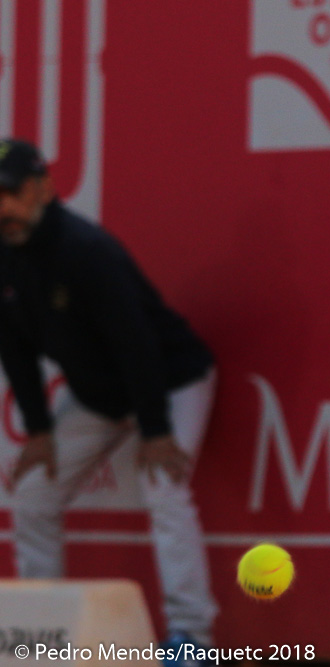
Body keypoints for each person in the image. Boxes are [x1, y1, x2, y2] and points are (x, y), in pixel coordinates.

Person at [0, 138, 217, 666]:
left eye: (11, 192)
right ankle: (40, 636)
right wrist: (40, 431)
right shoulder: (2, 255)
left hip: (171, 380)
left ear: (43, 188)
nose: (3, 207)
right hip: (99, 396)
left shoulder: (85, 250)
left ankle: (191, 637)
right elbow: (14, 347)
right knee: (32, 493)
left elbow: (135, 343)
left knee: (163, 486)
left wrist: (155, 430)